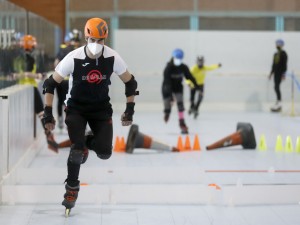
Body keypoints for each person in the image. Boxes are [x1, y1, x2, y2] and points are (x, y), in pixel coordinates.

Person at [42, 17, 138, 214]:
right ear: (86, 38)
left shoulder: (113, 57)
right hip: (76, 108)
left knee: (105, 152)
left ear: (105, 39)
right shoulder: (73, 57)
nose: (96, 45)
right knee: (76, 152)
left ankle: (85, 142)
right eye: (92, 40)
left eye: (100, 41)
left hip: (101, 109)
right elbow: (50, 84)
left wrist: (130, 110)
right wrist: (48, 114)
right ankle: (71, 189)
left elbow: (131, 83)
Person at [13, 34, 59, 153]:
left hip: (23, 87)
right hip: (29, 87)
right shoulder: (28, 58)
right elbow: (27, 73)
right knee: (41, 112)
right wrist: (38, 75)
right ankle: (48, 135)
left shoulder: (18, 57)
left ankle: (48, 135)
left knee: (40, 113)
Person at [162, 48, 199, 134]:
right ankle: (167, 112)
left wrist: (197, 86)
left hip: (178, 87)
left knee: (180, 104)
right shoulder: (168, 68)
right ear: (173, 57)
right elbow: (167, 83)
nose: (178, 61)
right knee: (168, 106)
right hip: (167, 87)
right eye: (176, 59)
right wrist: (171, 97)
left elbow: (190, 77)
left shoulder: (183, 67)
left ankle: (182, 123)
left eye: (180, 59)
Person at [54, 29, 82, 129]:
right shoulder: (77, 50)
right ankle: (68, 120)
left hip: (60, 79)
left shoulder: (62, 49)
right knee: (69, 101)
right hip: (70, 80)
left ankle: (61, 120)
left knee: (60, 100)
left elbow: (56, 63)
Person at [269, 39, 288, 112]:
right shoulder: (275, 54)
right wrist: (271, 73)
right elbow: (273, 64)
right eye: (277, 44)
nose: (277, 46)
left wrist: (283, 74)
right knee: (276, 87)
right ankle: (278, 101)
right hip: (276, 73)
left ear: (282, 45)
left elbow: (285, 64)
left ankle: (279, 102)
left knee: (277, 86)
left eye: (279, 44)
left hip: (280, 73)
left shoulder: (284, 54)